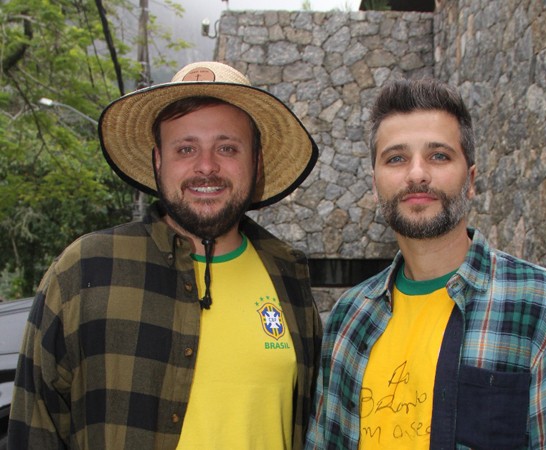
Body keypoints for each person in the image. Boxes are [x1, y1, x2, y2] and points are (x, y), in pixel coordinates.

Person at [9, 61, 322, 450]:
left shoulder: (289, 276)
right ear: (158, 160)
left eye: (227, 147)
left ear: (255, 163)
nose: (206, 166)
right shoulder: (85, 270)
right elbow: (33, 430)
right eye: (185, 148)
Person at [306, 78, 546, 449]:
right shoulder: (348, 319)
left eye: (438, 156)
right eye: (396, 158)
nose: (417, 173)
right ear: (375, 185)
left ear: (471, 180)